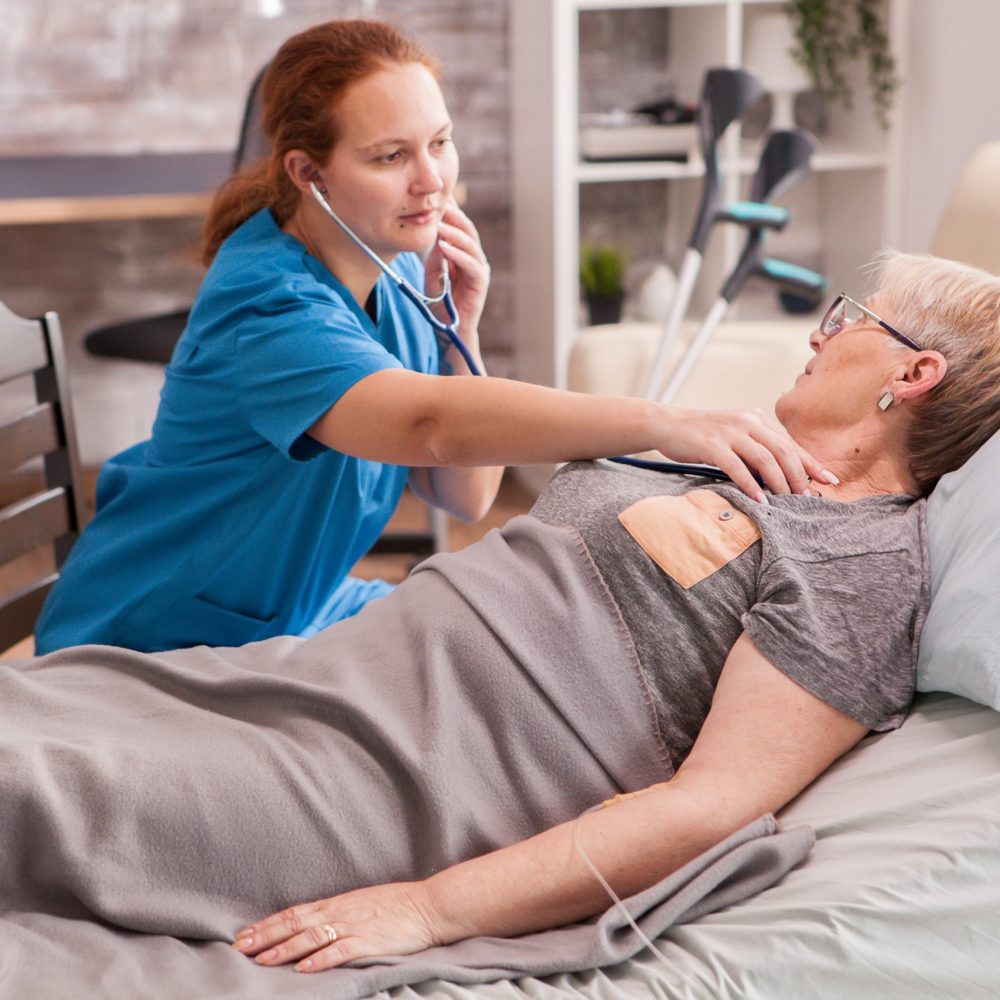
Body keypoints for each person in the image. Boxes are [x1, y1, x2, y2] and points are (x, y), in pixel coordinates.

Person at [7, 252, 1000, 983]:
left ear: (909, 376)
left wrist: (428, 905)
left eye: (850, 316)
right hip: (327, 681)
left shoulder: (863, 558)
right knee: (44, 711)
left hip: (400, 770)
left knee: (44, 784)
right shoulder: (734, 455)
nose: (818, 332)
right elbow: (473, 494)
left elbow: (716, 802)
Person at [33, 18, 831, 656]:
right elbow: (433, 428)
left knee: (502, 640)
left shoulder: (401, 271)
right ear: (308, 173)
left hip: (291, 610)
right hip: (158, 634)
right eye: (391, 156)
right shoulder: (266, 305)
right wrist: (667, 422)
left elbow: (462, 493)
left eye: (439, 142)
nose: (432, 180)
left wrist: (462, 334)